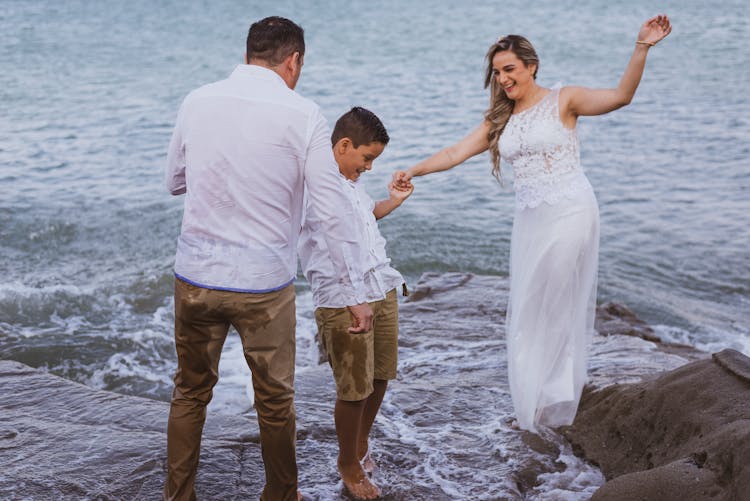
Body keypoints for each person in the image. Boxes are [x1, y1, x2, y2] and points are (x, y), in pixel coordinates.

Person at [393, 16, 672, 432]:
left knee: (557, 297)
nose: (503, 78)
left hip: (571, 209)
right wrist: (413, 170)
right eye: (498, 72)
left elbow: (620, 97)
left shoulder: (565, 99)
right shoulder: (499, 119)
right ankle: (535, 397)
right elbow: (454, 153)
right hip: (531, 220)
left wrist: (642, 47)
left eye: (510, 69)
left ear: (531, 66)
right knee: (529, 308)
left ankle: (558, 395)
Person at [164, 17, 374, 501]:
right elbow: (330, 210)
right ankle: (280, 495)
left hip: (196, 276)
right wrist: (355, 293)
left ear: (247, 55)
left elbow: (174, 180)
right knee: (275, 402)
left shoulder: (197, 100)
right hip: (263, 288)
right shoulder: (304, 115)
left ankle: (177, 496)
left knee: (190, 392)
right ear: (293, 60)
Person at [299, 107, 413, 500]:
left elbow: (365, 219)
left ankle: (360, 446)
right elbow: (331, 243)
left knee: (380, 376)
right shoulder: (317, 185)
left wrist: (392, 201)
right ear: (344, 145)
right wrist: (352, 299)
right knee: (353, 388)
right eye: (367, 157)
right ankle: (347, 462)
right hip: (341, 298)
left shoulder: (351, 181)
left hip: (380, 285)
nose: (369, 166)